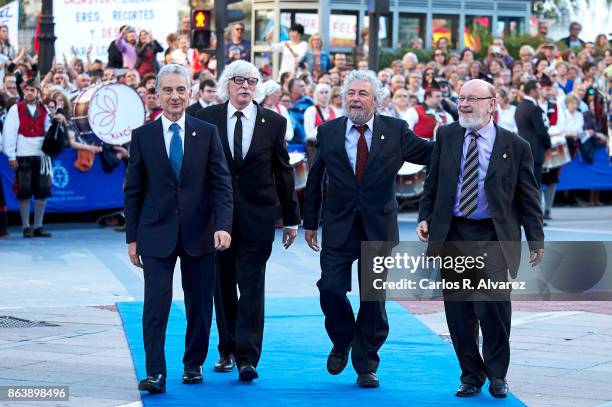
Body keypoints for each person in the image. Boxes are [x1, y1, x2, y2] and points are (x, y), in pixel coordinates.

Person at [303, 70, 432, 388]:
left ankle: (366, 363)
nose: (355, 99)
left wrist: (463, 136)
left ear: (377, 100)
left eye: (362, 93)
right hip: (338, 225)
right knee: (330, 289)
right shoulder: (329, 131)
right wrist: (309, 223)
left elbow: (432, 153)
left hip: (379, 226)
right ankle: (343, 338)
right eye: (350, 93)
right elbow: (316, 177)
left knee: (373, 298)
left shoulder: (397, 130)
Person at [416, 79, 545, 399]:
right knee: (459, 312)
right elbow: (433, 181)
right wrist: (424, 215)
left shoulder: (515, 146)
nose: (465, 104)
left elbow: (528, 197)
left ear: (492, 104)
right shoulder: (446, 136)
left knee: (492, 307)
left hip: (492, 235)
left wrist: (535, 238)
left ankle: (497, 374)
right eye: (461, 98)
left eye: (473, 99)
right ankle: (470, 375)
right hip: (454, 233)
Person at [124, 64, 233, 394]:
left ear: (191, 93)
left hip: (201, 232)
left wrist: (224, 226)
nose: (174, 96)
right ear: (157, 95)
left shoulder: (207, 132)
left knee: (200, 304)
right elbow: (134, 190)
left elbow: (221, 183)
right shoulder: (142, 136)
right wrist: (132, 239)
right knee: (155, 303)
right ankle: (155, 371)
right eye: (167, 90)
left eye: (180, 90)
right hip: (155, 233)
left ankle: (193, 363)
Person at [195, 60, 301, 382]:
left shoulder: (273, 122)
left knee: (252, 287)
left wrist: (292, 218)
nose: (245, 86)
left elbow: (283, 171)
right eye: (239, 80)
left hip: (258, 217)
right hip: (218, 220)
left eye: (251, 81)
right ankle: (226, 348)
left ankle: (247, 357)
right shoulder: (206, 118)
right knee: (223, 285)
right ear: (227, 83)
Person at [2, 77, 53, 238]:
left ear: (37, 92)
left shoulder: (45, 109)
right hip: (23, 153)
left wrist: (58, 122)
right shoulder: (16, 109)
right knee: (24, 191)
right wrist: (11, 155)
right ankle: (26, 226)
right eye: (27, 90)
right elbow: (9, 134)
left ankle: (38, 226)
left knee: (42, 191)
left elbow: (49, 132)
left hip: (42, 155)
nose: (29, 93)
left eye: (32, 90)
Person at [515, 80, 551, 190]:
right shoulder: (534, 109)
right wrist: (548, 145)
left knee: (525, 184)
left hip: (522, 150)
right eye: (538, 89)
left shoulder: (519, 107)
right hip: (535, 151)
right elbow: (541, 132)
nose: (540, 91)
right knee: (534, 185)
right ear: (532, 91)